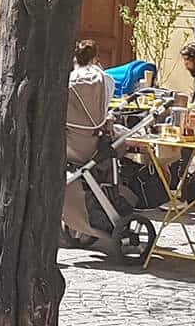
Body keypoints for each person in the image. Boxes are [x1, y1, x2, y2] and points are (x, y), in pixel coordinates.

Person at [62, 39, 114, 247]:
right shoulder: (104, 80)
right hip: (92, 145)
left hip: (69, 143)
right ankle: (114, 194)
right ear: (95, 59)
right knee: (124, 143)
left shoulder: (68, 82)